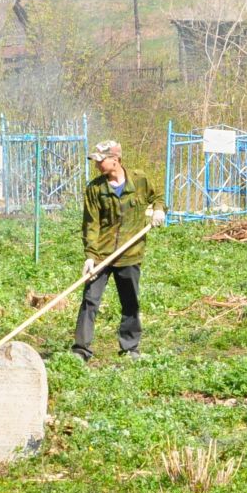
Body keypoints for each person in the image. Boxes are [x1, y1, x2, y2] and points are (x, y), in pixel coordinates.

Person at [73, 141, 164, 361]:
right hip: (102, 255)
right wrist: (90, 256)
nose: (97, 165)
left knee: (130, 301)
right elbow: (91, 224)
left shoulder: (140, 180)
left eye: (100, 160)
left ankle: (130, 348)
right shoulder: (95, 189)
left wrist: (159, 210)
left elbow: (158, 196)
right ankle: (80, 350)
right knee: (90, 300)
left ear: (116, 159)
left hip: (131, 252)